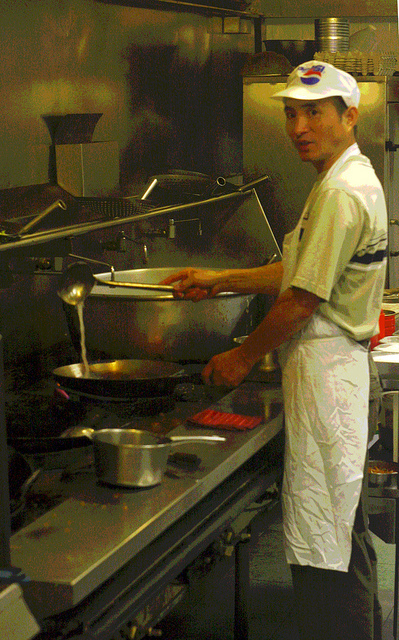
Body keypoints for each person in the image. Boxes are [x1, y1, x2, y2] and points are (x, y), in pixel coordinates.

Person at [161, 61, 388, 640]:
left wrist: (239, 358)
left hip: (330, 378)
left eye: (313, 112)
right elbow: (298, 271)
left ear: (349, 116)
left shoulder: (342, 192)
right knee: (341, 536)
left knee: (328, 550)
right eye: (290, 114)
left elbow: (301, 300)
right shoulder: (342, 179)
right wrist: (221, 280)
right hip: (329, 374)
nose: (298, 127)